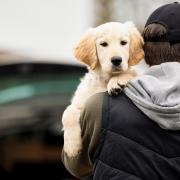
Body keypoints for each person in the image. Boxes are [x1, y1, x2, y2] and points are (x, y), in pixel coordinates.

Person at [62, 2, 180, 180]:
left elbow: (78, 168)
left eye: (124, 43)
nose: (115, 53)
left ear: (143, 51)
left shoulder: (98, 106)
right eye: (104, 44)